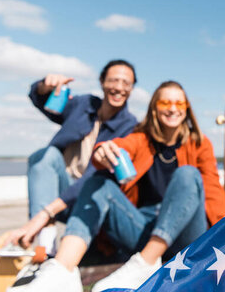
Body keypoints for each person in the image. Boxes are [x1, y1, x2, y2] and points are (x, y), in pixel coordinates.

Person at [8, 81, 225, 292]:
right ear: (155, 107)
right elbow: (120, 146)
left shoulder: (199, 143)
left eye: (179, 103)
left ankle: (147, 262)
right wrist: (103, 150)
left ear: (187, 108)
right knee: (98, 182)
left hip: (186, 234)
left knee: (187, 174)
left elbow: (213, 192)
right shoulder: (142, 139)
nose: (172, 109)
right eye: (165, 103)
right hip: (145, 230)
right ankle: (62, 269)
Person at [8, 60, 138, 256]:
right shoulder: (83, 105)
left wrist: (45, 214)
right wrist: (45, 86)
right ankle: (45, 249)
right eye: (113, 80)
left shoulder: (130, 127)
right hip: (60, 188)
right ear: (102, 82)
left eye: (126, 83)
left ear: (132, 88)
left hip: (90, 197)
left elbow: (94, 178)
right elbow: (40, 100)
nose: (119, 87)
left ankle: (49, 236)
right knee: (44, 155)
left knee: (94, 184)